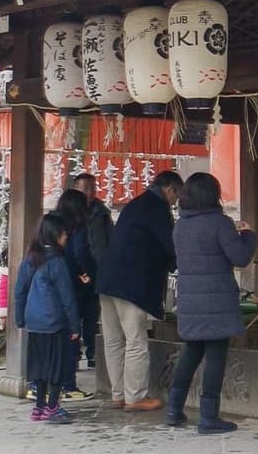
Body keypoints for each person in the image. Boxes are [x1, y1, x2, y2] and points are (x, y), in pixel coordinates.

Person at [166, 172, 257, 434]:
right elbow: (240, 257)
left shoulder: (180, 226)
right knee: (216, 356)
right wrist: (248, 235)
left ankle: (174, 408)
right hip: (217, 301)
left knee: (191, 352)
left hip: (190, 301)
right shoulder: (220, 223)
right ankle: (208, 416)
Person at [97, 169, 183, 412]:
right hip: (132, 284)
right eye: (177, 196)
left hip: (108, 280)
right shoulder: (158, 209)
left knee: (113, 340)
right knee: (136, 341)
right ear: (169, 190)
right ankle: (135, 397)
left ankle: (118, 394)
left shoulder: (134, 204)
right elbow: (170, 245)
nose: (176, 202)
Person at [13, 212, 81, 425]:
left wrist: (20, 318)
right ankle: (53, 407)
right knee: (56, 367)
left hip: (34, 323)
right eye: (64, 234)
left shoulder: (30, 258)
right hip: (54, 323)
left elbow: (19, 291)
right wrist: (75, 324)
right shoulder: (57, 262)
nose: (67, 237)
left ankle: (39, 407)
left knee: (39, 367)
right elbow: (67, 297)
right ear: (56, 236)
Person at [53, 187, 100, 410]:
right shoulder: (77, 227)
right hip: (74, 285)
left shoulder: (51, 223)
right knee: (74, 330)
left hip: (54, 286)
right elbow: (80, 252)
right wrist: (89, 273)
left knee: (58, 335)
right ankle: (68, 385)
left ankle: (45, 383)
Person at [73, 172, 114, 368]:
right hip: (75, 273)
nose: (89, 193)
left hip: (98, 271)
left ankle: (92, 354)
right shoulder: (69, 212)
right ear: (75, 189)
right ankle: (73, 356)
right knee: (74, 314)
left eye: (92, 188)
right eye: (84, 188)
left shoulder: (102, 212)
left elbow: (110, 240)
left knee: (92, 316)